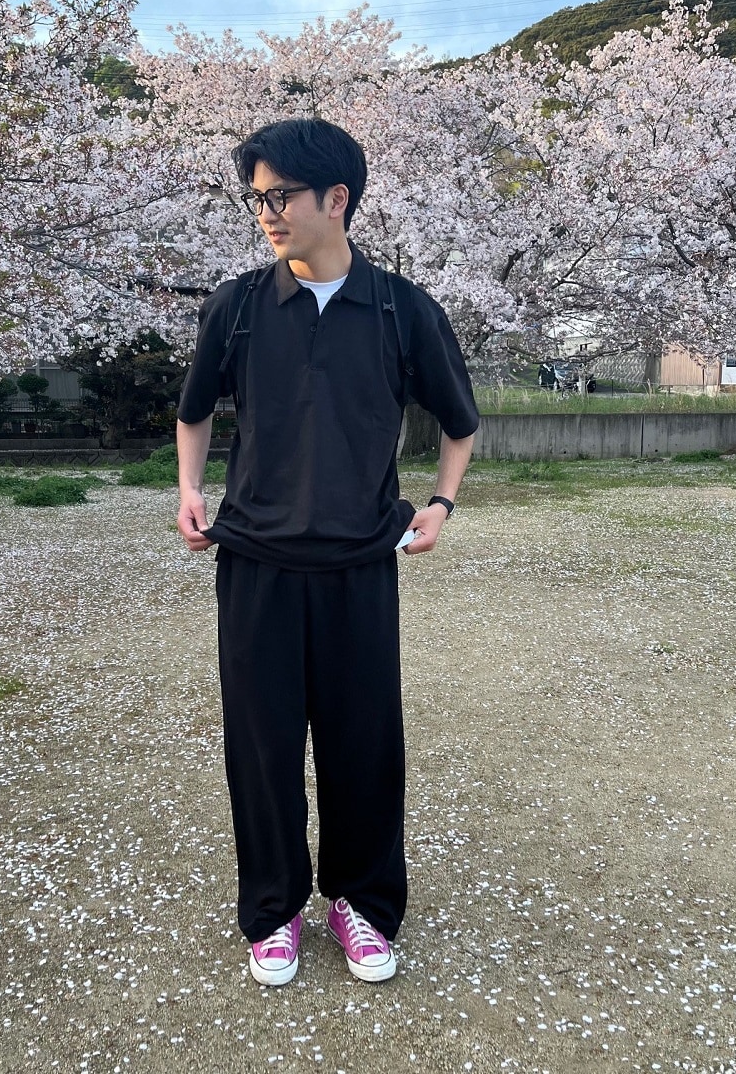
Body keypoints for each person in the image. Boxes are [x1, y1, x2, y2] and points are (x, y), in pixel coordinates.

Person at [176, 118, 479, 986]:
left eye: (281, 196)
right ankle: (273, 910)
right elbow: (194, 410)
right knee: (262, 746)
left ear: (336, 198)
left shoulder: (401, 309)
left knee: (363, 744)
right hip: (255, 561)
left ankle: (362, 903)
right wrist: (189, 488)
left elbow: (459, 423)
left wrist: (441, 504)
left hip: (359, 563)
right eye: (257, 198)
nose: (266, 213)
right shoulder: (237, 306)